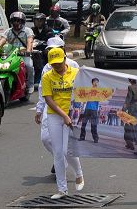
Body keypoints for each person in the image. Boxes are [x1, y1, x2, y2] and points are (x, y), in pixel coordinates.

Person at [41, 47, 83, 199]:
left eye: (59, 63)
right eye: (53, 64)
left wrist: (76, 113)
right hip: (55, 115)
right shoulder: (47, 77)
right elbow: (48, 99)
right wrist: (63, 116)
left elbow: (83, 91)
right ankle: (62, 189)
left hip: (73, 114)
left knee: (67, 150)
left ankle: (79, 173)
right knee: (58, 153)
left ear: (65, 59)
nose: (56, 66)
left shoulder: (76, 73)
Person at [35, 37, 80, 176]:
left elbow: (80, 87)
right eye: (50, 50)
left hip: (68, 108)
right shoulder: (47, 67)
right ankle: (60, 159)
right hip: (52, 107)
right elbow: (43, 90)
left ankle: (64, 163)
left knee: (67, 144)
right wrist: (39, 109)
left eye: (57, 49)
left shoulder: (73, 65)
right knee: (45, 138)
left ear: (64, 50)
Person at [0, 11, 34, 93]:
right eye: (14, 20)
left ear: (22, 22)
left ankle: (30, 85)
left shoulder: (27, 30)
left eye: (18, 20)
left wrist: (28, 51)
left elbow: (30, 41)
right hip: (10, 55)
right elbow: (2, 40)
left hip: (23, 55)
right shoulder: (8, 31)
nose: (16, 23)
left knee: (29, 65)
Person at [79, 78, 101, 143]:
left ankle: (95, 138)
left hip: (94, 110)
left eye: (97, 82)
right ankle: (82, 137)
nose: (96, 83)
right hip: (87, 109)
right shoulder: (88, 90)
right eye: (95, 82)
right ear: (92, 82)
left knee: (93, 126)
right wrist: (82, 108)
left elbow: (100, 99)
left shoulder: (99, 91)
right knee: (83, 124)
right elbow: (84, 98)